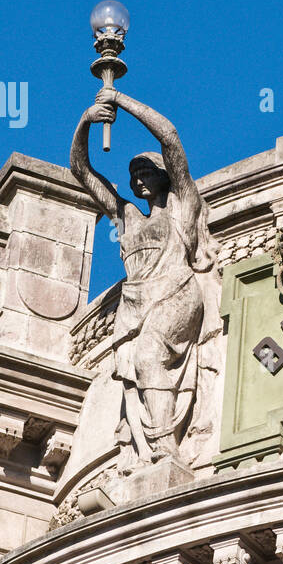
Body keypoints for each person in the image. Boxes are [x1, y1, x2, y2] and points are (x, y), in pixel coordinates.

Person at [70, 88, 212, 463]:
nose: (139, 178)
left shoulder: (182, 205)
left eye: (147, 170)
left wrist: (118, 99)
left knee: (149, 356)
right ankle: (151, 447)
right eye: (134, 175)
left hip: (176, 293)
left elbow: (169, 136)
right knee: (136, 368)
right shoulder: (128, 218)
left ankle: (167, 446)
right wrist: (87, 122)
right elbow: (81, 171)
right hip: (135, 305)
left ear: (165, 175)